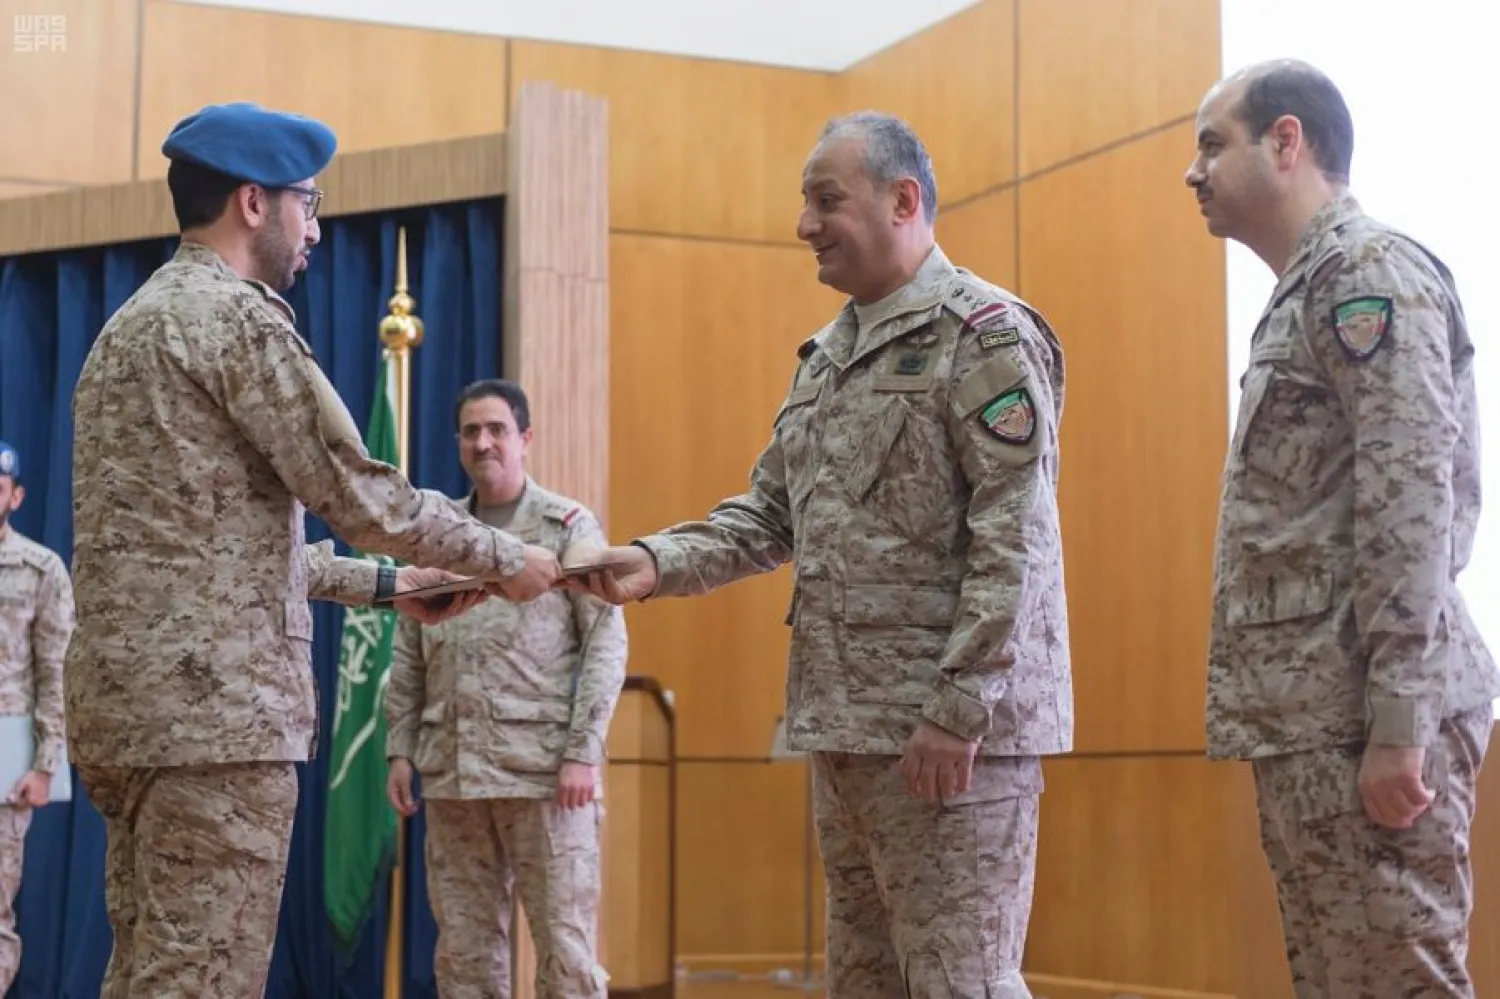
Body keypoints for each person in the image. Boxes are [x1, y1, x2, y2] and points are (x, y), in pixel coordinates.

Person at [568, 111, 1072, 998]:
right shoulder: (828, 357)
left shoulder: (984, 335)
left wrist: (959, 707)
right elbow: (767, 515)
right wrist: (653, 560)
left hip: (949, 741)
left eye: (825, 200)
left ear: (903, 199)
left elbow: (1016, 536)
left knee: (962, 983)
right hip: (847, 733)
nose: (804, 225)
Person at [65, 102, 562, 999]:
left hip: (132, 720)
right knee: (200, 982)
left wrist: (386, 585)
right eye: (309, 202)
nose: (317, 228)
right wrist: (502, 554)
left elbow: (204, 549)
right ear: (254, 203)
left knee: (149, 974)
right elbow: (362, 492)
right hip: (218, 725)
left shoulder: (123, 333)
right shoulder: (235, 322)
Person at [1186, 60, 1497, 996]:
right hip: (1315, 714)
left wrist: (1400, 721)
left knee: (1396, 979)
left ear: (1288, 142)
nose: (1191, 172)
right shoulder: (1305, 290)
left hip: (1367, 712)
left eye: (1212, 144)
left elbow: (1412, 502)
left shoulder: (1366, 276)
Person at [386, 378, 626, 999]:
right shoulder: (440, 530)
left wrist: (583, 752)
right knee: (464, 958)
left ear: (524, 438)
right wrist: (400, 748)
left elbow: (605, 642)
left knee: (566, 954)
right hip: (454, 774)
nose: (483, 442)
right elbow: (409, 648)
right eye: (471, 431)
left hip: (544, 775)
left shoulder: (566, 527)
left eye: (496, 430)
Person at [0, 441, 74, 992]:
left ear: (16, 495)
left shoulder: (40, 568)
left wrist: (46, 764)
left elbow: (58, 672)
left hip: (5, 754)